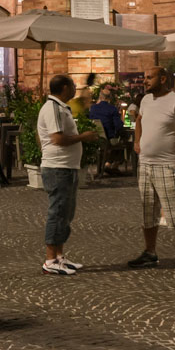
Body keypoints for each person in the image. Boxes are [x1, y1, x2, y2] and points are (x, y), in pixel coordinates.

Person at [127, 66, 175, 274]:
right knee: (148, 212)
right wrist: (137, 141)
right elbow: (138, 120)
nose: (145, 81)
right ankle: (150, 253)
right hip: (146, 165)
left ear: (163, 79)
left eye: (149, 77)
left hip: (169, 164)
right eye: (144, 77)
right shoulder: (146, 101)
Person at [38, 74, 98, 275]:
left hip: (67, 166)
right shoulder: (53, 108)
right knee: (57, 212)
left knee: (67, 212)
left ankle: (59, 256)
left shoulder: (62, 107)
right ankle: (50, 259)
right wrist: (84, 137)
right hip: (57, 167)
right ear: (64, 87)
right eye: (72, 85)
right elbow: (57, 139)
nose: (75, 88)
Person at [88, 88, 125, 176]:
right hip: (109, 139)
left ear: (100, 97)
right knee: (124, 140)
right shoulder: (112, 109)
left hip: (96, 138)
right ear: (110, 98)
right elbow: (118, 125)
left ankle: (108, 164)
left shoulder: (93, 108)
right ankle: (113, 165)